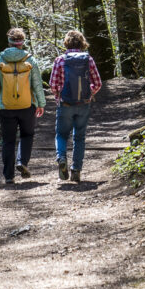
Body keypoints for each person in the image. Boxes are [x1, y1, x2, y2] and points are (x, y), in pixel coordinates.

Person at [0, 28, 46, 185]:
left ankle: (8, 176)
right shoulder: (30, 60)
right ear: (22, 43)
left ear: (9, 42)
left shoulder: (0, 61)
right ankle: (22, 162)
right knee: (27, 135)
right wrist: (41, 103)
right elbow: (37, 84)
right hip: (27, 106)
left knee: (8, 141)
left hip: (5, 107)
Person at [48, 30, 103, 183]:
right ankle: (76, 170)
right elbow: (98, 83)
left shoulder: (60, 60)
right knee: (79, 137)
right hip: (83, 104)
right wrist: (89, 94)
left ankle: (61, 158)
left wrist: (58, 95)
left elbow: (53, 85)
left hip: (65, 103)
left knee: (61, 134)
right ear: (82, 43)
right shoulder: (88, 60)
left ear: (66, 42)